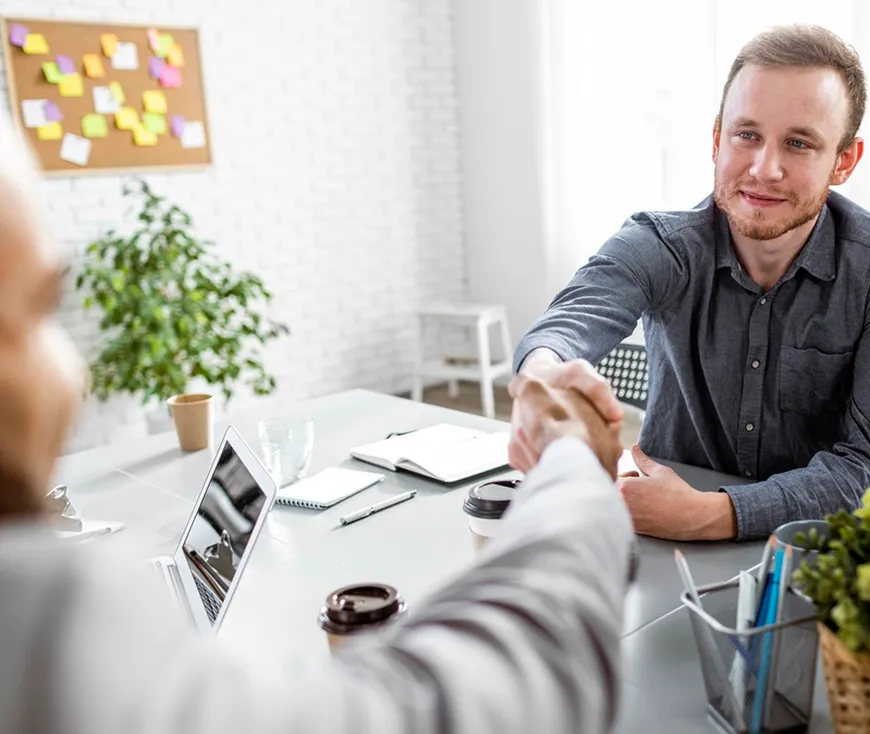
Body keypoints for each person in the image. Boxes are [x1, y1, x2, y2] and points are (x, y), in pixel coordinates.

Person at [0, 116, 634, 734]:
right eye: (35, 312)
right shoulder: (45, 628)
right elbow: (488, 693)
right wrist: (572, 457)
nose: (72, 374)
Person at [508, 24, 870, 543]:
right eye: (747, 135)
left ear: (843, 161)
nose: (764, 168)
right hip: (661, 542)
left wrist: (711, 514)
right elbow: (569, 321)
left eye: (799, 143)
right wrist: (542, 376)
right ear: (716, 139)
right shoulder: (660, 243)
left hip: (816, 553)